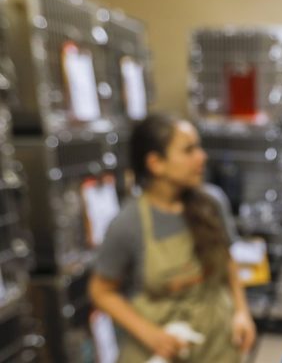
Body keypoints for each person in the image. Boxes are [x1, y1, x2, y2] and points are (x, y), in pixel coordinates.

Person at [89, 114, 256, 362]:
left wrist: (242, 312)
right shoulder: (128, 223)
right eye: (189, 150)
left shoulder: (212, 202)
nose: (202, 156)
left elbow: (228, 263)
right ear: (156, 163)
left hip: (218, 342)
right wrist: (150, 335)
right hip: (165, 348)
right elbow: (101, 291)